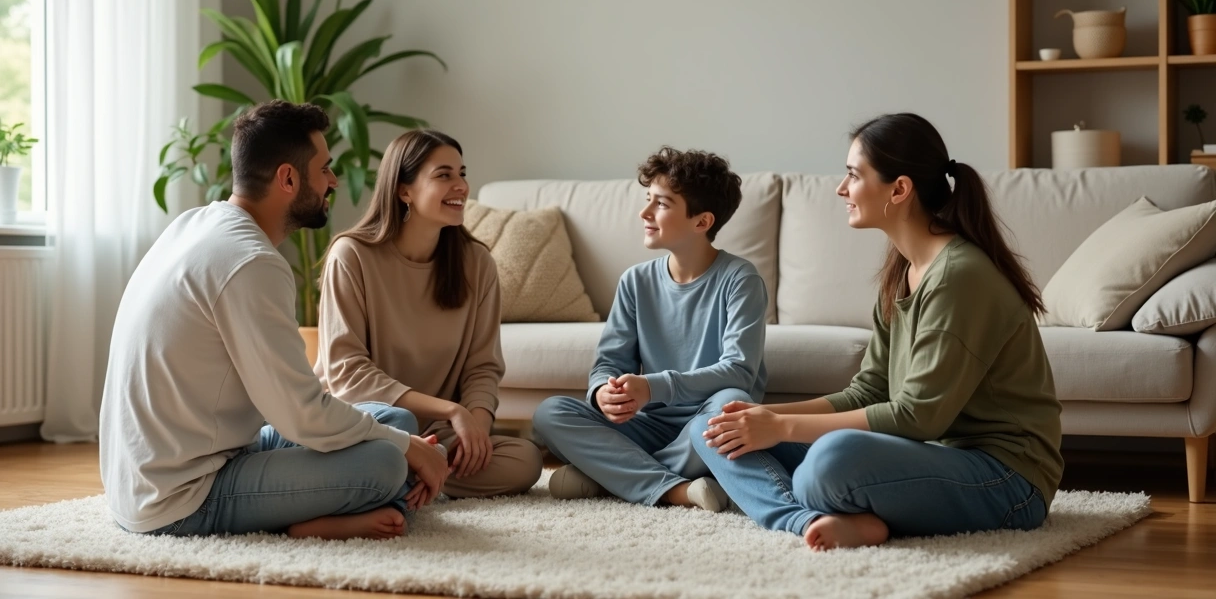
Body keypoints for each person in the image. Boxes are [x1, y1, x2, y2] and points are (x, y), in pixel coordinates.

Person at [692, 112, 1063, 551]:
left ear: (899, 189)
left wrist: (782, 426)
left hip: (1007, 481)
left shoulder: (959, 277)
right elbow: (869, 391)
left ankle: (821, 508)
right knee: (713, 428)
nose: (841, 188)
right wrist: (764, 420)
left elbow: (919, 416)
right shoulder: (903, 270)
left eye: (853, 174)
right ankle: (806, 520)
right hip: (932, 456)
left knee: (829, 462)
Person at [99, 100, 448, 540]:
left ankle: (320, 506)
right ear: (288, 178)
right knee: (385, 461)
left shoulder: (194, 225)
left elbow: (292, 412)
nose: (333, 181)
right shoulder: (251, 262)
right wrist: (407, 451)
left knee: (393, 421)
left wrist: (404, 442)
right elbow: (302, 417)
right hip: (180, 496)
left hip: (198, 459)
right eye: (325, 169)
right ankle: (307, 524)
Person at [531, 146, 768, 511]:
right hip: (647, 425)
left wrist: (653, 386)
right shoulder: (635, 281)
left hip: (702, 424)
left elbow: (739, 371)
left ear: (702, 222)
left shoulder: (740, 279)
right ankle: (675, 489)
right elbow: (609, 363)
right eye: (648, 200)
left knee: (731, 408)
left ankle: (608, 476)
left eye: (661, 203)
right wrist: (602, 394)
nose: (644, 213)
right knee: (551, 413)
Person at [316, 129, 542, 498]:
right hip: (369, 425)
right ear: (404, 190)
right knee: (393, 431)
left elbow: (482, 366)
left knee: (526, 460)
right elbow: (347, 374)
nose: (461, 186)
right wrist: (453, 410)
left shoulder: (477, 263)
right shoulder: (352, 255)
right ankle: (409, 473)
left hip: (438, 434)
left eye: (462, 173)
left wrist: (477, 433)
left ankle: (399, 478)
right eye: (444, 175)